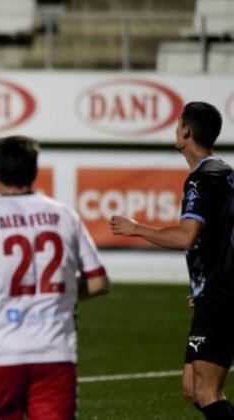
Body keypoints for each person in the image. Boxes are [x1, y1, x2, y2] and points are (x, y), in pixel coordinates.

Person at [0, 136, 110, 420]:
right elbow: (99, 282)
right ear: (35, 170)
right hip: (56, 349)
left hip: (2, 349)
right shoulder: (65, 215)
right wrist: (58, 297)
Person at [110, 101, 234, 420]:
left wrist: (135, 229)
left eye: (178, 123)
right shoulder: (226, 175)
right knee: (192, 389)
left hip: (221, 299)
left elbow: (185, 237)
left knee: (207, 392)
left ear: (186, 131)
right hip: (217, 293)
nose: (176, 128)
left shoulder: (202, 180)